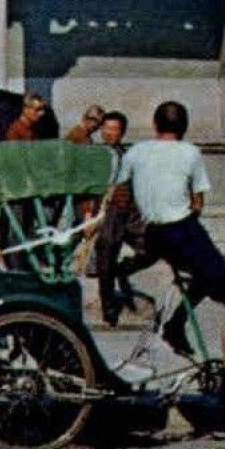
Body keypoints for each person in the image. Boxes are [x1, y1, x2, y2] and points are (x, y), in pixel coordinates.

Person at [115, 100, 225, 400]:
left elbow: (119, 193)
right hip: (182, 229)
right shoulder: (190, 153)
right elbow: (197, 201)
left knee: (204, 277)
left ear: (155, 126)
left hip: (153, 232)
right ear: (184, 128)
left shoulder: (136, 152)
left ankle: (177, 323)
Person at [92, 111, 148, 326]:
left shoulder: (127, 155)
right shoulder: (95, 156)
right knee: (106, 257)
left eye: (114, 129)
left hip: (130, 212)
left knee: (151, 246)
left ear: (121, 133)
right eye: (106, 129)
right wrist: (89, 215)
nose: (109, 133)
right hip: (108, 211)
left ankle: (122, 269)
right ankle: (109, 310)